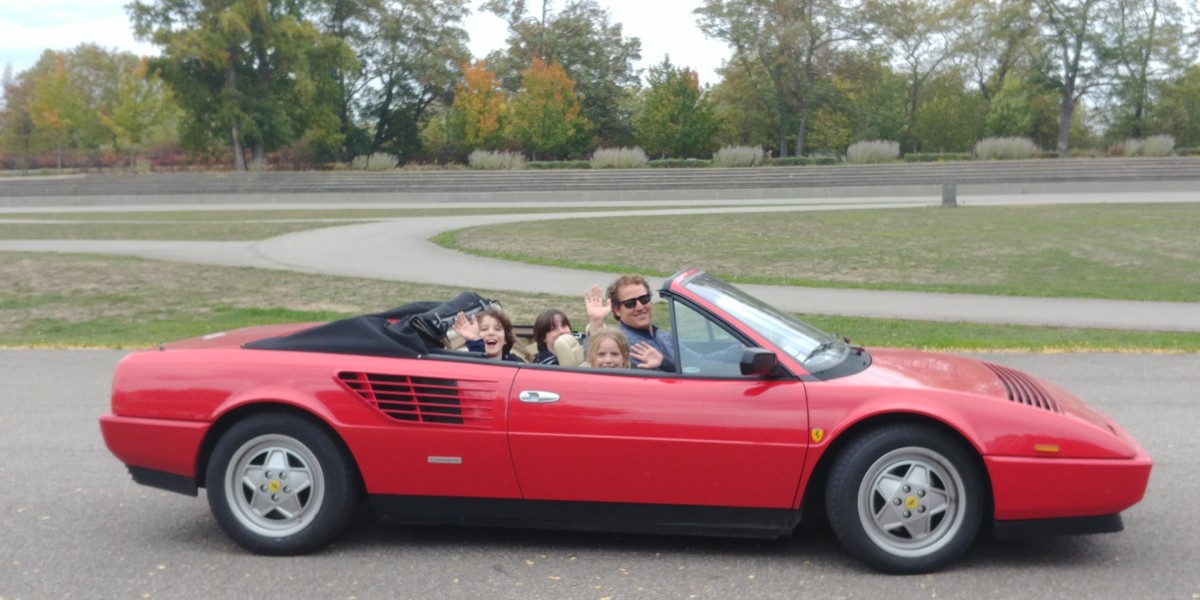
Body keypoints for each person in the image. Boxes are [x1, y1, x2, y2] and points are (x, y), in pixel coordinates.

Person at [585, 276, 672, 371]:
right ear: (617, 310)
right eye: (630, 303)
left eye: (644, 299)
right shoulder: (622, 342)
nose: (640, 307)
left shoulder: (664, 335)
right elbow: (595, 353)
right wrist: (596, 322)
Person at [452, 308, 524, 362]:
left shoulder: (516, 363)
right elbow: (482, 368)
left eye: (497, 329)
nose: (491, 332)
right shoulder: (467, 362)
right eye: (484, 329)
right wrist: (475, 342)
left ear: (505, 339)